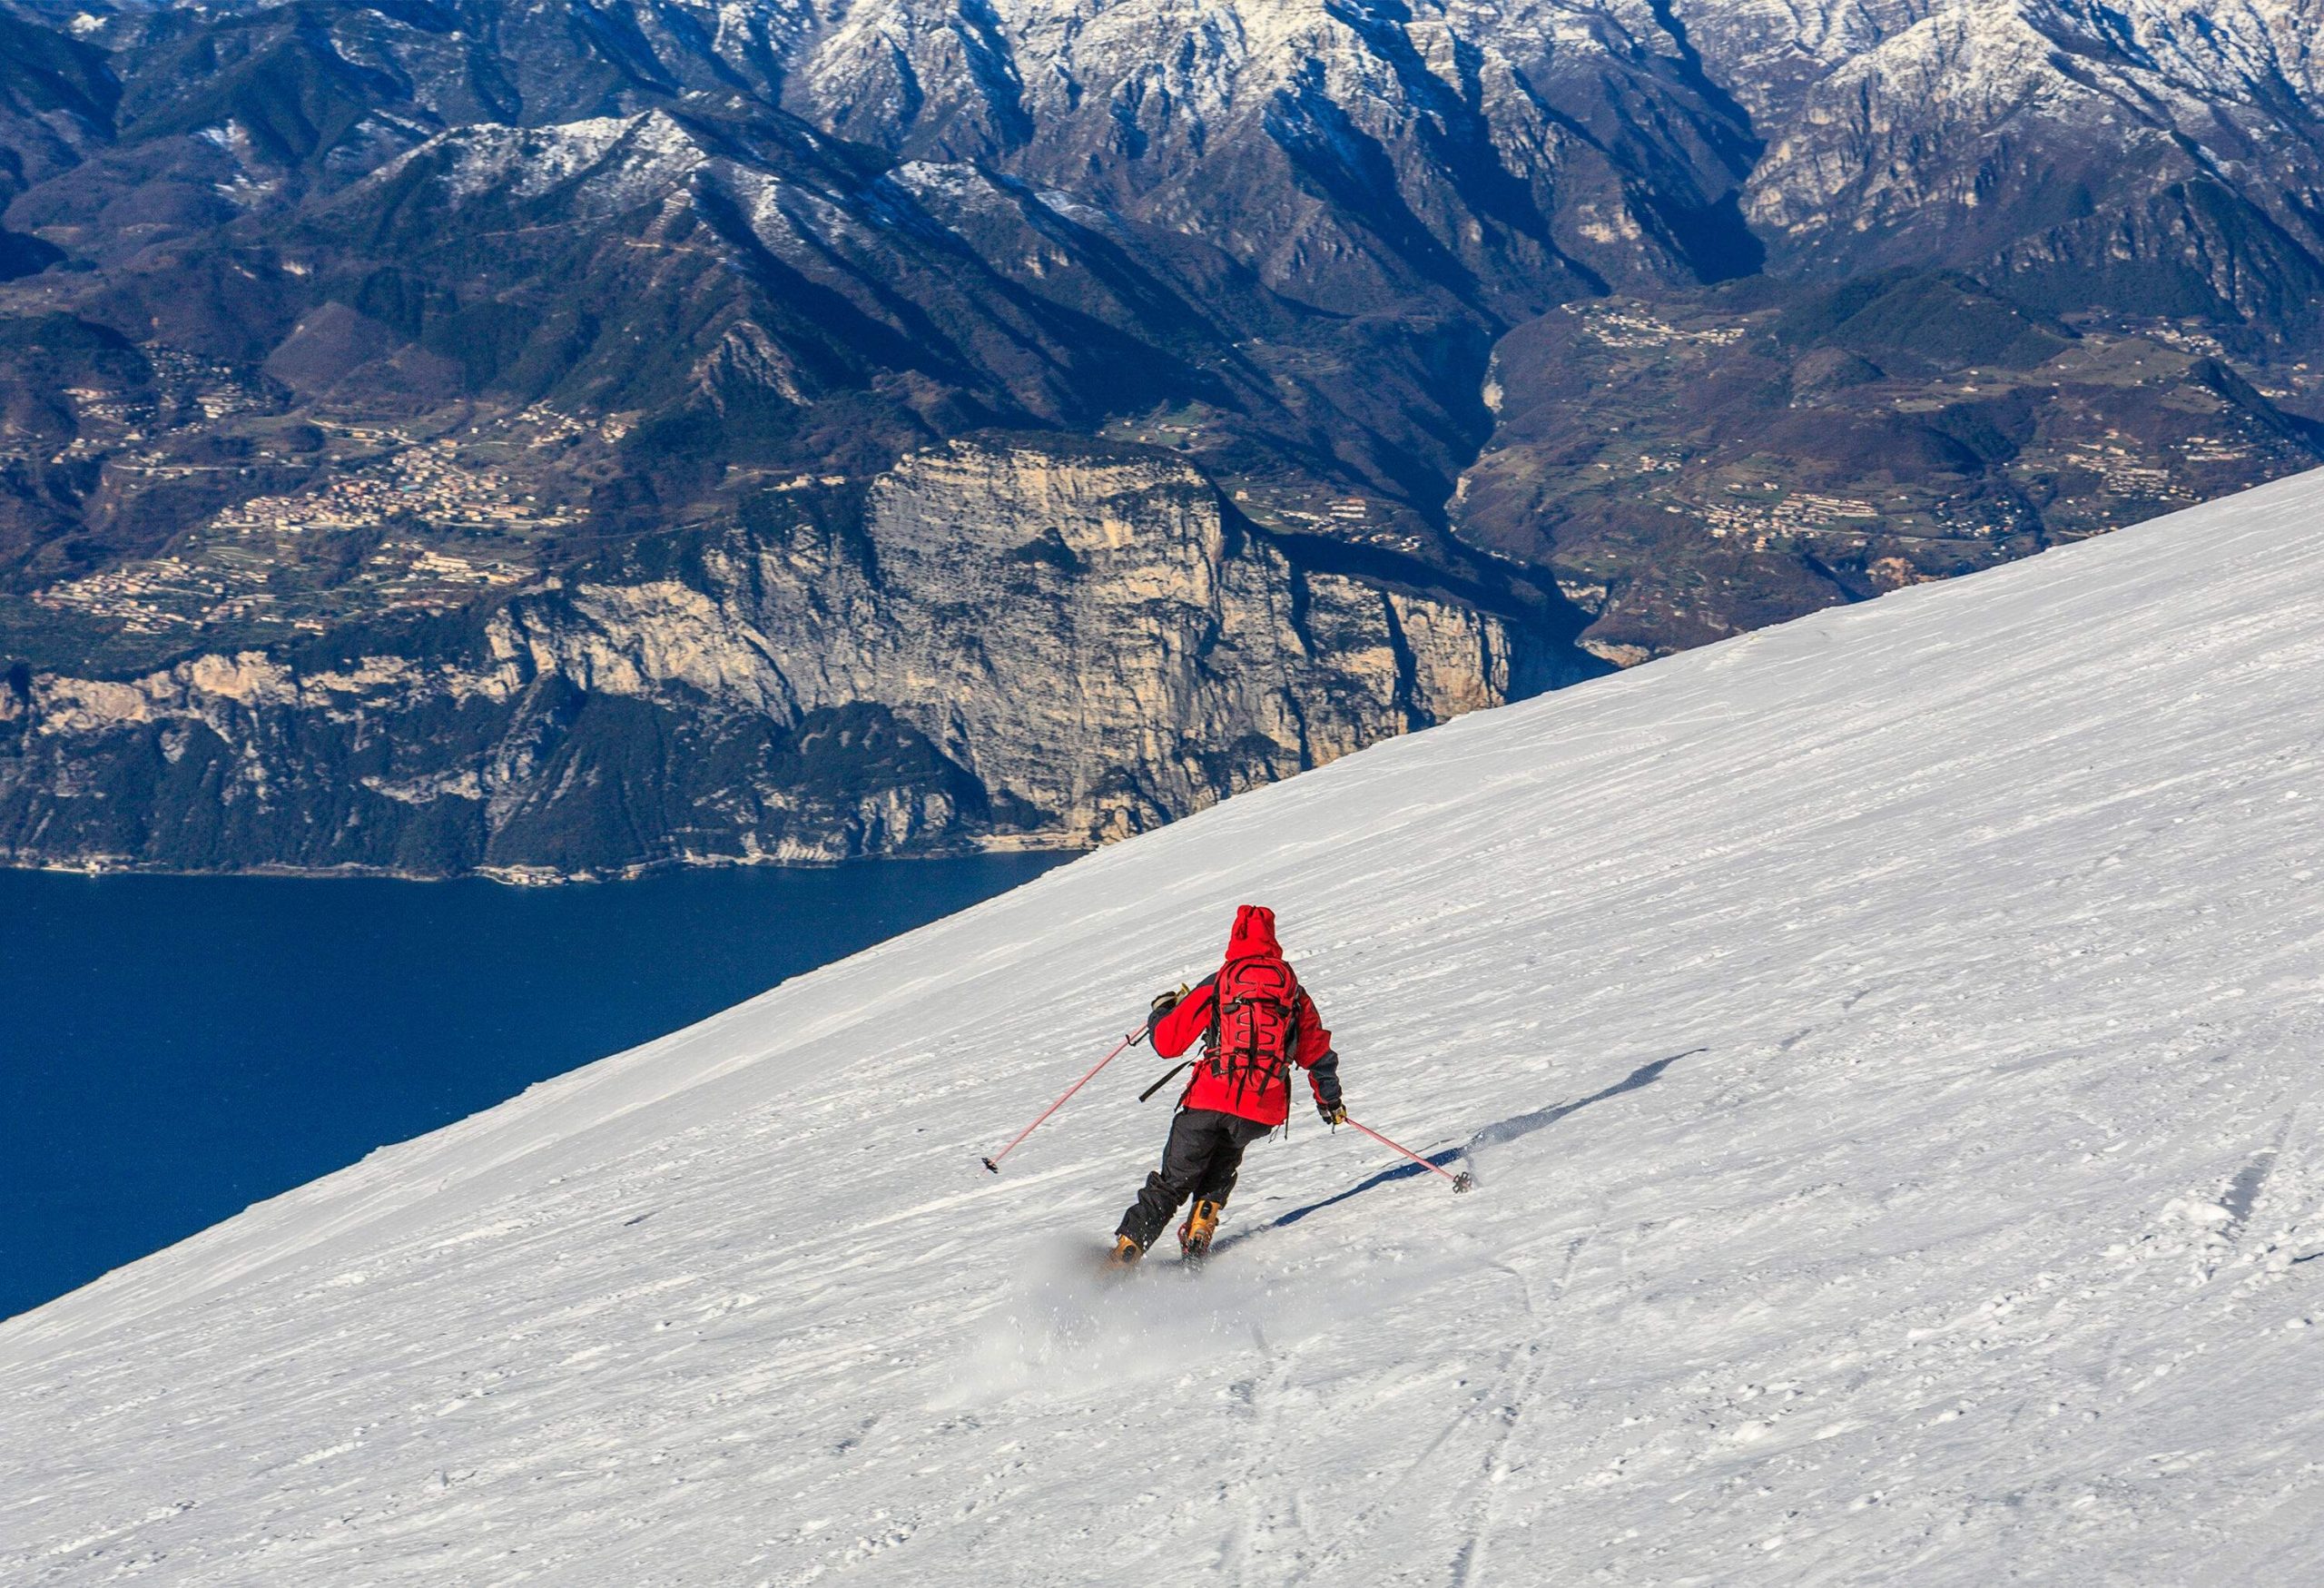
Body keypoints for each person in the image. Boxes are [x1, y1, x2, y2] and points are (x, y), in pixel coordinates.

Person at [1109, 904, 1344, 1267]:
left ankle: (1126, 1253)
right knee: (1222, 1163)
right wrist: (1329, 1101)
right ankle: (1200, 1229)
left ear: (1235, 938)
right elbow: (1317, 1053)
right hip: (1259, 1109)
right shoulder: (1292, 992)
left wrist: (1160, 1011)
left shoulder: (1220, 982)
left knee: (1172, 1182)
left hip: (1208, 1099)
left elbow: (1168, 1043)